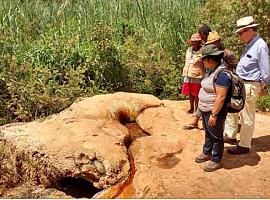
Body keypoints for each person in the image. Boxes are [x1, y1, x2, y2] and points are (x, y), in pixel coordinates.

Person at [224, 16, 270, 154]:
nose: (239, 36)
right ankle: (230, 136)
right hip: (241, 84)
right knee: (233, 110)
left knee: (247, 116)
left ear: (249, 30)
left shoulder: (260, 46)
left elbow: (266, 71)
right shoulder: (250, 45)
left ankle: (244, 145)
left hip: (250, 85)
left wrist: (262, 86)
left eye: (240, 33)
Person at [183, 31, 238, 130]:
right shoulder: (209, 51)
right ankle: (196, 121)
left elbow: (233, 68)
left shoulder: (227, 53)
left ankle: (220, 125)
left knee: (217, 102)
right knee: (203, 96)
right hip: (210, 78)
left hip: (221, 81)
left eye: (211, 43)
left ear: (218, 41)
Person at [195, 44, 231, 172]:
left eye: (203, 59)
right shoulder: (212, 70)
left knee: (216, 136)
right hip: (206, 109)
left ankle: (216, 160)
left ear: (209, 59)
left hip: (214, 110)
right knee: (208, 133)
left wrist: (214, 114)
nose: (202, 62)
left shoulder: (222, 74)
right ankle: (206, 152)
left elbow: (221, 96)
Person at [181, 33, 204, 114]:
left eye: (196, 41)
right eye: (193, 42)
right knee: (190, 92)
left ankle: (197, 109)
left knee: (197, 93)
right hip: (188, 73)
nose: (194, 43)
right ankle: (191, 108)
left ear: (199, 42)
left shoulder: (202, 51)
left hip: (197, 75)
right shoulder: (189, 50)